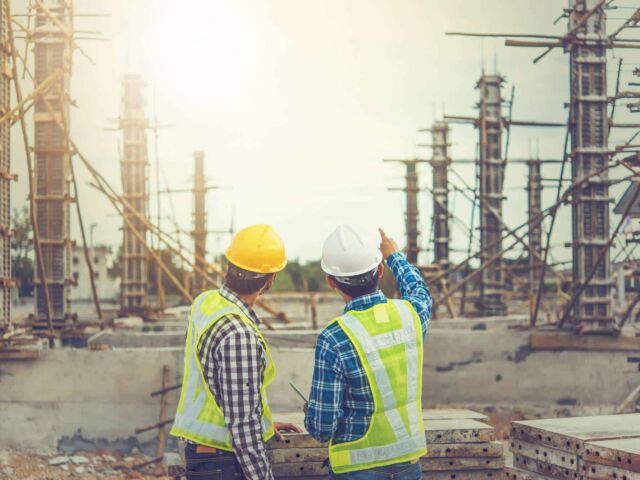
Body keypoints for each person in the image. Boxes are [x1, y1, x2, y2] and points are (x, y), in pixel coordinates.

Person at [170, 224, 302, 480]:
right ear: (270, 279)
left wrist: (263, 424)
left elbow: (217, 385)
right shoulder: (239, 335)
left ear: (229, 266)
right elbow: (242, 427)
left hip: (204, 451)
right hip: (222, 461)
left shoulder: (205, 302)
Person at [305, 225, 433, 480]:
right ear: (381, 270)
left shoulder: (334, 337)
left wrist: (311, 411)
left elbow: (322, 427)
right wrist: (394, 255)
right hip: (409, 465)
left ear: (331, 281)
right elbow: (420, 291)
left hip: (355, 471)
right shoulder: (411, 315)